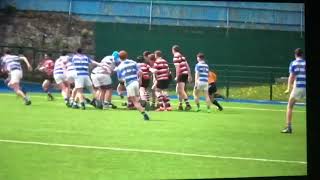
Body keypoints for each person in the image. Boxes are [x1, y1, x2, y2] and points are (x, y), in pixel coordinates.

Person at [114, 50, 150, 120]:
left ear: (119, 58)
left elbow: (120, 79)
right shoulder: (133, 62)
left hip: (129, 83)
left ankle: (145, 115)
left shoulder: (120, 66)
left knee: (134, 101)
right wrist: (139, 80)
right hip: (136, 82)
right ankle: (144, 103)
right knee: (136, 98)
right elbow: (140, 72)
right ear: (127, 55)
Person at [282, 48, 306, 134]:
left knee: (290, 106)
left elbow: (291, 77)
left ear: (295, 55)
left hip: (299, 87)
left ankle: (288, 127)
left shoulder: (293, 63)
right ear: (302, 55)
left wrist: (288, 88)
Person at [172, 45, 192, 111]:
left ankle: (188, 105)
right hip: (185, 74)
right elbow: (187, 66)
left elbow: (177, 68)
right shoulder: (182, 56)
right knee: (178, 90)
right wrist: (189, 75)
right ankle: (180, 105)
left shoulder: (175, 57)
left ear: (173, 50)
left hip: (181, 74)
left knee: (181, 90)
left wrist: (177, 76)